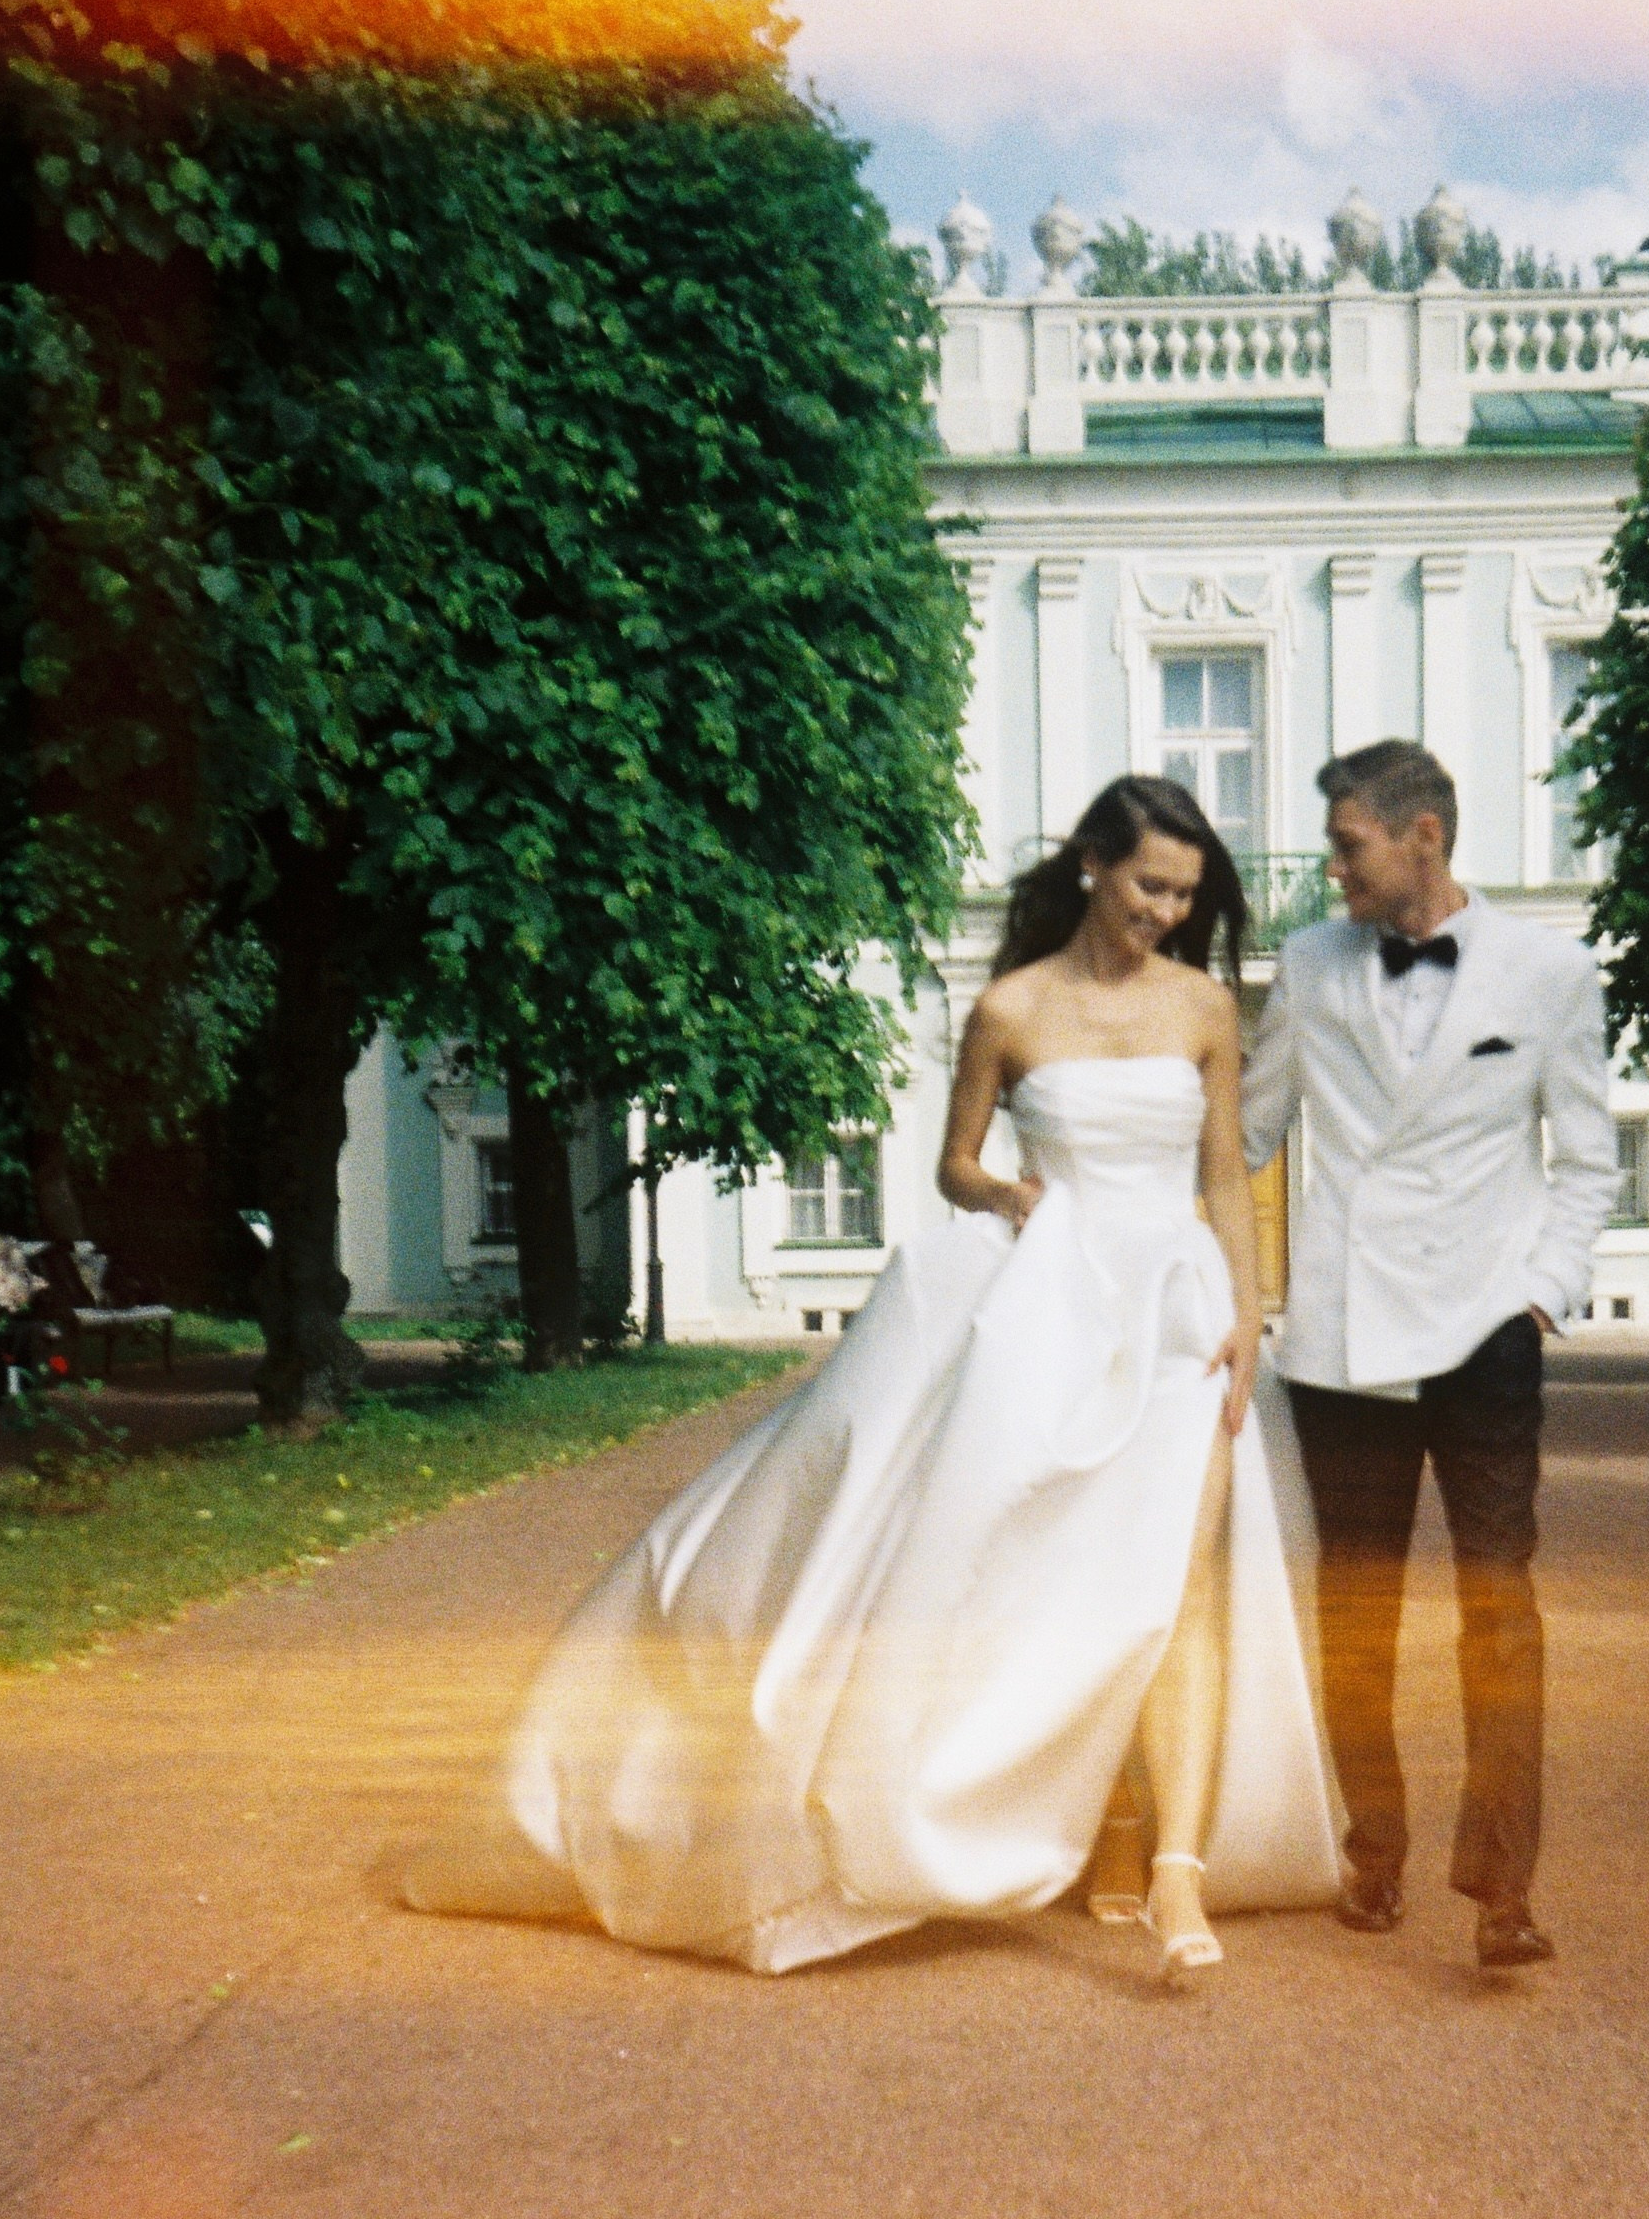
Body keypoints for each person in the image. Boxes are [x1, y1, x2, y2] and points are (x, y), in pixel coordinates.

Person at [402, 774, 1338, 1983]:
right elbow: (955, 1166)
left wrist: (1248, 1314)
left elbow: (1220, 1178)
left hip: (1178, 1319)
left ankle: (1177, 1874)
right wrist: (1007, 1194)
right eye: (1150, 886)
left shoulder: (1203, 1006)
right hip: (1048, 1311)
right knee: (1058, 1581)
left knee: (1182, 1586)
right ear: (1092, 866)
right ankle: (1102, 1818)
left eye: (1184, 895)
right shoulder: (1006, 1008)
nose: (1166, 911)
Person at [1241, 740, 1619, 1970]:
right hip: (1344, 1339)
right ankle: (1375, 1850)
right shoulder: (1309, 964)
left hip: (1484, 1331)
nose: (1332, 869)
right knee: (1356, 1613)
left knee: (1498, 1601)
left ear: (1425, 837)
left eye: (1347, 845)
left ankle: (1504, 1890)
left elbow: (1588, 1161)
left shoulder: (1550, 973)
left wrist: (1539, 1296)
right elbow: (1244, 1133)